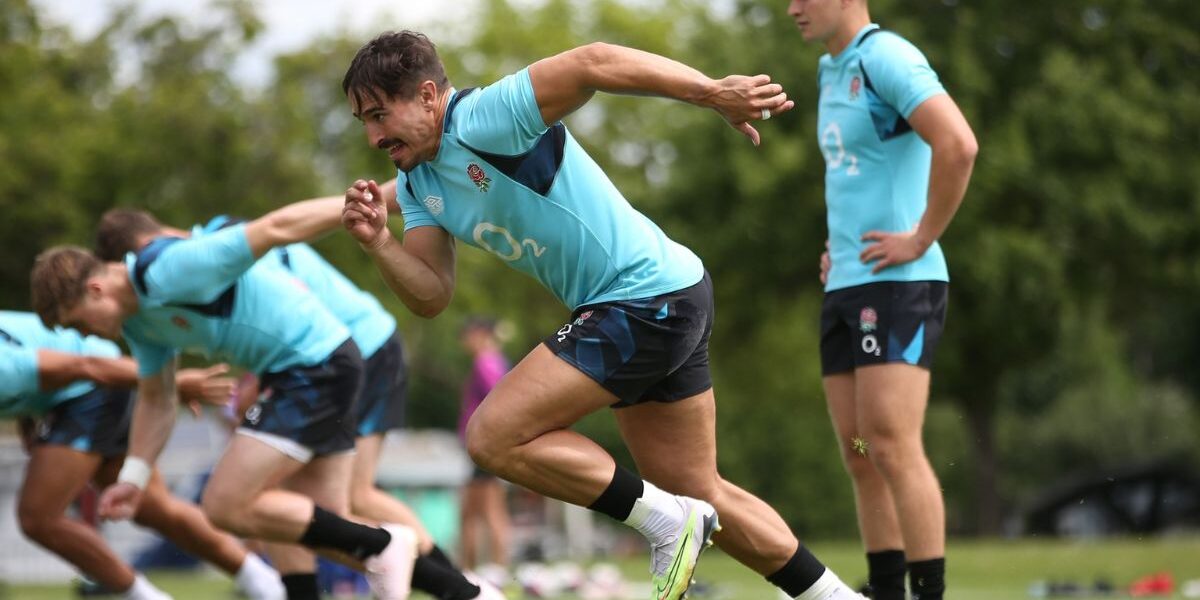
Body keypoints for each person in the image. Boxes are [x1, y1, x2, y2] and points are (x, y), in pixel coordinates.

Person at [339, 31, 863, 600]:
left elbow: (594, 61)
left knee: (492, 436)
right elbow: (432, 294)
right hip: (669, 293)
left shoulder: (481, 119)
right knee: (698, 491)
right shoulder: (419, 184)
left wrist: (709, 91)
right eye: (363, 121)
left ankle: (666, 522)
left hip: (641, 298)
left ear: (425, 95)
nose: (372, 136)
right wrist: (379, 245)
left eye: (378, 115)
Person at [94, 208, 504, 600]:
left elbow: (289, 309)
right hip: (325, 357)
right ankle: (331, 591)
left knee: (355, 497)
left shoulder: (213, 247)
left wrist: (256, 382)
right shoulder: (212, 240)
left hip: (361, 346)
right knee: (285, 501)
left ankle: (459, 586)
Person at [30, 196, 421, 600]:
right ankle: (462, 588)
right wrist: (134, 477)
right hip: (300, 367)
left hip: (318, 363)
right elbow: (157, 398)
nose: (86, 336)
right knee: (307, 519)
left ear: (97, 288)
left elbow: (275, 226)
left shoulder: (168, 269)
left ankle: (384, 544)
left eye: (79, 323)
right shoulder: (140, 320)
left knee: (227, 504)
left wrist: (376, 200)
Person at [787, 1, 979, 598]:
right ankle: (887, 589)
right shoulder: (829, 68)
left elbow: (958, 145)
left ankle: (928, 593)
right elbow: (857, 174)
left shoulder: (887, 57)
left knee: (891, 442)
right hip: (848, 283)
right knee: (861, 450)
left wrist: (921, 236)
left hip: (900, 284)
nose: (792, 7)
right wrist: (837, 247)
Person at [0, 310, 285, 600]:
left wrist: (169, 384)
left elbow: (84, 364)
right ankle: (264, 582)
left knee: (38, 518)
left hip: (96, 383)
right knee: (151, 506)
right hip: (84, 388)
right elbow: (36, 367)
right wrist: (29, 413)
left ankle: (144, 596)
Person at [456, 317, 512, 576]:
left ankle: (491, 570)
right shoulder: (495, 360)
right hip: (486, 445)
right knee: (474, 511)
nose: (465, 342)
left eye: (467, 335)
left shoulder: (485, 362)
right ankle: (475, 569)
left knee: (486, 510)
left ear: (480, 334)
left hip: (487, 444)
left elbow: (498, 398)